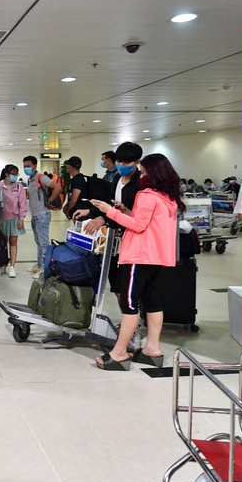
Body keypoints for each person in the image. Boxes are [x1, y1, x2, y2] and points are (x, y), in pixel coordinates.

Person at [88, 153, 184, 370]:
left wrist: (109, 211)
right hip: (157, 258)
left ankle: (119, 353)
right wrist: (126, 211)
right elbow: (145, 221)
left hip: (139, 256)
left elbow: (138, 227)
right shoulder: (168, 198)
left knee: (129, 305)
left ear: (152, 173)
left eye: (144, 171)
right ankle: (153, 349)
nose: (141, 175)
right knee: (153, 302)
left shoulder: (147, 195)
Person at [74, 142, 144, 302]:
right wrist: (91, 212)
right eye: (119, 161)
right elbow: (111, 205)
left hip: (132, 240)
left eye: (126, 163)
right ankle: (130, 322)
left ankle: (133, 322)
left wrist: (103, 218)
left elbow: (134, 216)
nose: (121, 165)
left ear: (137, 162)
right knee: (116, 284)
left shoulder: (140, 184)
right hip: (114, 239)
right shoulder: (118, 178)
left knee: (128, 285)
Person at [22, 155, 61, 279]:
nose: (26, 168)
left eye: (28, 166)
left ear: (34, 166)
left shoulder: (41, 177)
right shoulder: (30, 179)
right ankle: (39, 265)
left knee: (43, 243)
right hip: (35, 215)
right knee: (39, 242)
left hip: (42, 215)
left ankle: (44, 268)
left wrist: (49, 201)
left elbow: (57, 187)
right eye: (24, 166)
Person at [0, 164, 27, 278]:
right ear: (6, 174)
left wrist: (22, 218)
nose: (14, 176)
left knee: (13, 242)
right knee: (2, 243)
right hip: (2, 218)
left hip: (15, 218)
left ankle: (12, 267)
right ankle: (2, 265)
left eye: (16, 174)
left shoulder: (19, 187)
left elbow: (23, 203)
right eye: (12, 174)